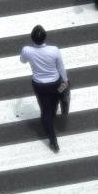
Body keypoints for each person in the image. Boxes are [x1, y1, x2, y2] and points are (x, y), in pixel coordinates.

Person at [19, 25, 68, 153]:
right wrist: (65, 81)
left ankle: (53, 141)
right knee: (55, 100)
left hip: (39, 85)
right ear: (45, 37)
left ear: (32, 38)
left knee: (44, 110)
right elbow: (61, 67)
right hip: (55, 83)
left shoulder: (27, 50)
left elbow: (22, 61)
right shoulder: (54, 50)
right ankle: (54, 111)